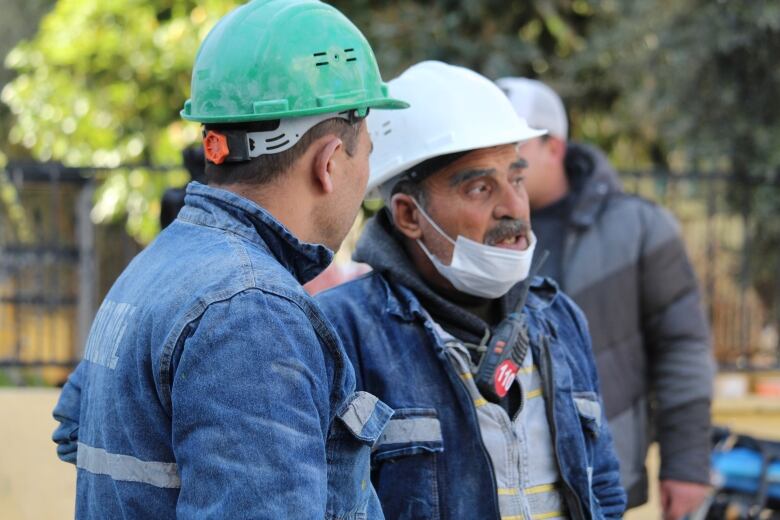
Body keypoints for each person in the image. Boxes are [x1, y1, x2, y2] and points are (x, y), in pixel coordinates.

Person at [50, 1, 407, 517]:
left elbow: (76, 428)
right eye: (366, 151)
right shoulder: (251, 312)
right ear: (329, 163)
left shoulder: (163, 265)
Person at [316, 61, 626, 520]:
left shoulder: (560, 319)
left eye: (516, 179)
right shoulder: (341, 334)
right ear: (408, 215)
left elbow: (602, 488)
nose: (512, 207)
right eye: (481, 188)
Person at [496, 77, 715, 519]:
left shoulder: (640, 228)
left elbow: (683, 350)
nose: (499, 162)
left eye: (512, 144)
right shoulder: (478, 233)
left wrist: (687, 463)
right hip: (499, 482)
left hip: (604, 476)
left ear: (554, 147)